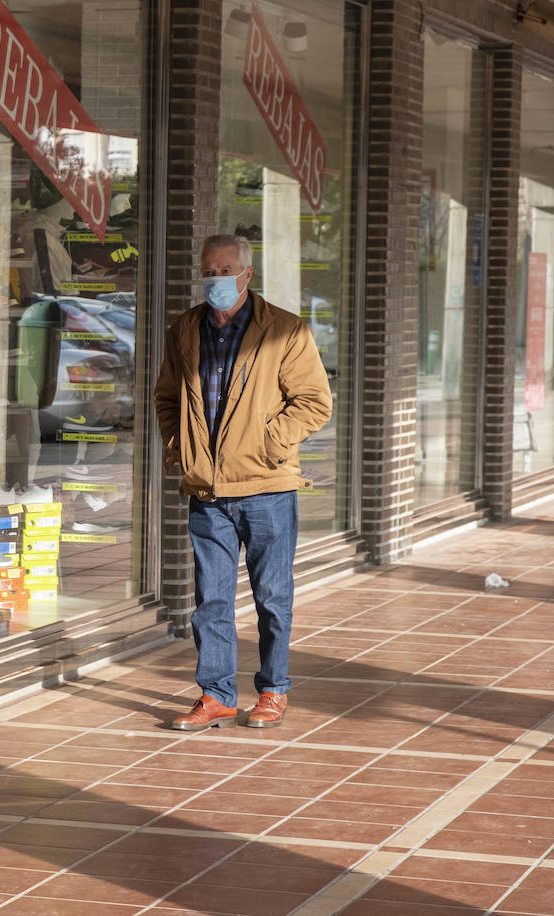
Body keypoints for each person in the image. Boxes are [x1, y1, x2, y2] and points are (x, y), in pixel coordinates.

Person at [153, 233, 332, 731]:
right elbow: (167, 398)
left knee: (272, 597)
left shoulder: (286, 331)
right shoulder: (185, 329)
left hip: (267, 488)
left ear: (246, 274)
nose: (216, 279)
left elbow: (315, 402)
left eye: (225, 270)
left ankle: (273, 691)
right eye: (208, 270)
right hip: (208, 492)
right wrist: (180, 448)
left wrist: (269, 441)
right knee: (209, 600)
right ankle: (216, 695)